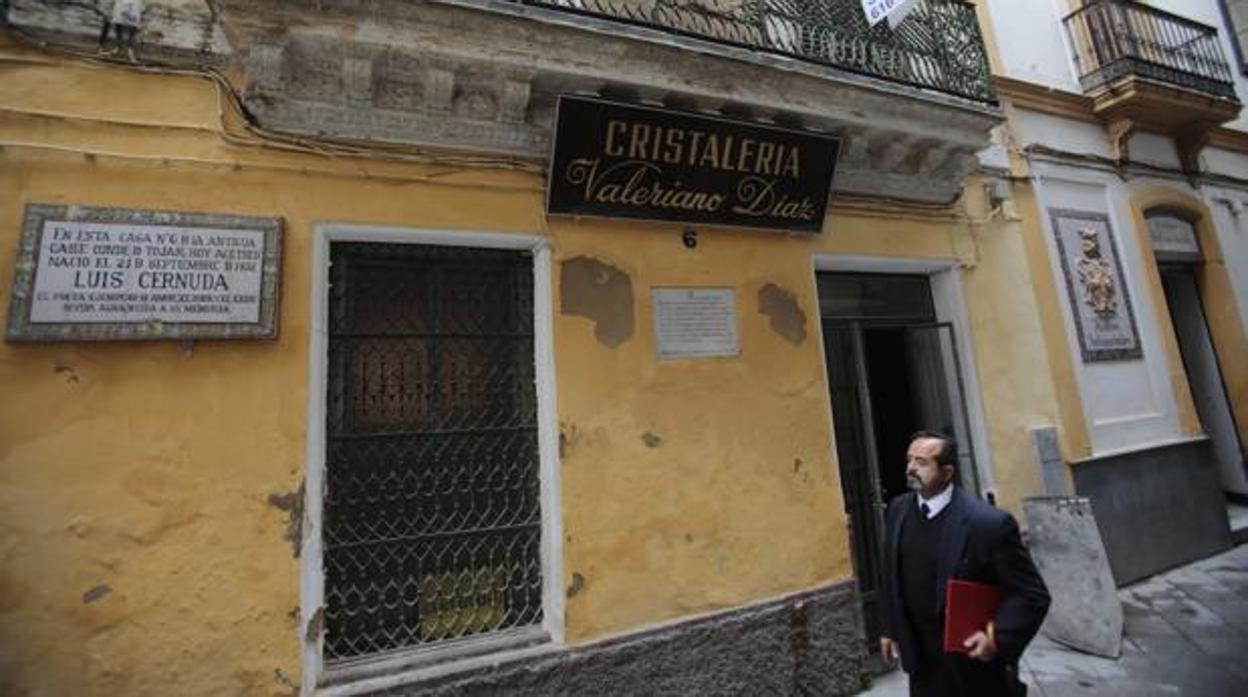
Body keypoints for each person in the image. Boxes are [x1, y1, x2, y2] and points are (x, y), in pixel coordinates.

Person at [878, 432, 1050, 697]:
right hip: (921, 659)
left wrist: (996, 637)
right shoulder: (898, 510)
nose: (911, 468)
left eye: (922, 462)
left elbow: (1031, 595)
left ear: (947, 473)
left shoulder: (988, 524)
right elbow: (891, 574)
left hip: (970, 662)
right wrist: (890, 628)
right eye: (909, 460)